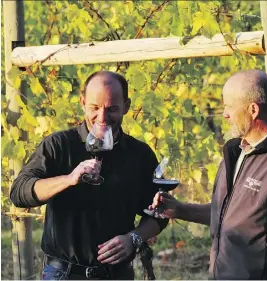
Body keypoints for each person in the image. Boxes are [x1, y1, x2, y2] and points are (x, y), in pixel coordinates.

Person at [150, 70, 267, 280]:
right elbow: (227, 215)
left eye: (229, 106)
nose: (224, 114)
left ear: (253, 110)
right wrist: (179, 209)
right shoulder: (237, 152)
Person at [10, 71, 167, 280]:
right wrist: (68, 179)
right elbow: (19, 192)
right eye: (94, 108)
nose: (102, 118)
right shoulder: (58, 145)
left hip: (117, 274)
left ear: (126, 107)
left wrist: (134, 238)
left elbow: (160, 213)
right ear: (83, 102)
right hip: (62, 274)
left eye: (112, 109)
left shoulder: (140, 154)